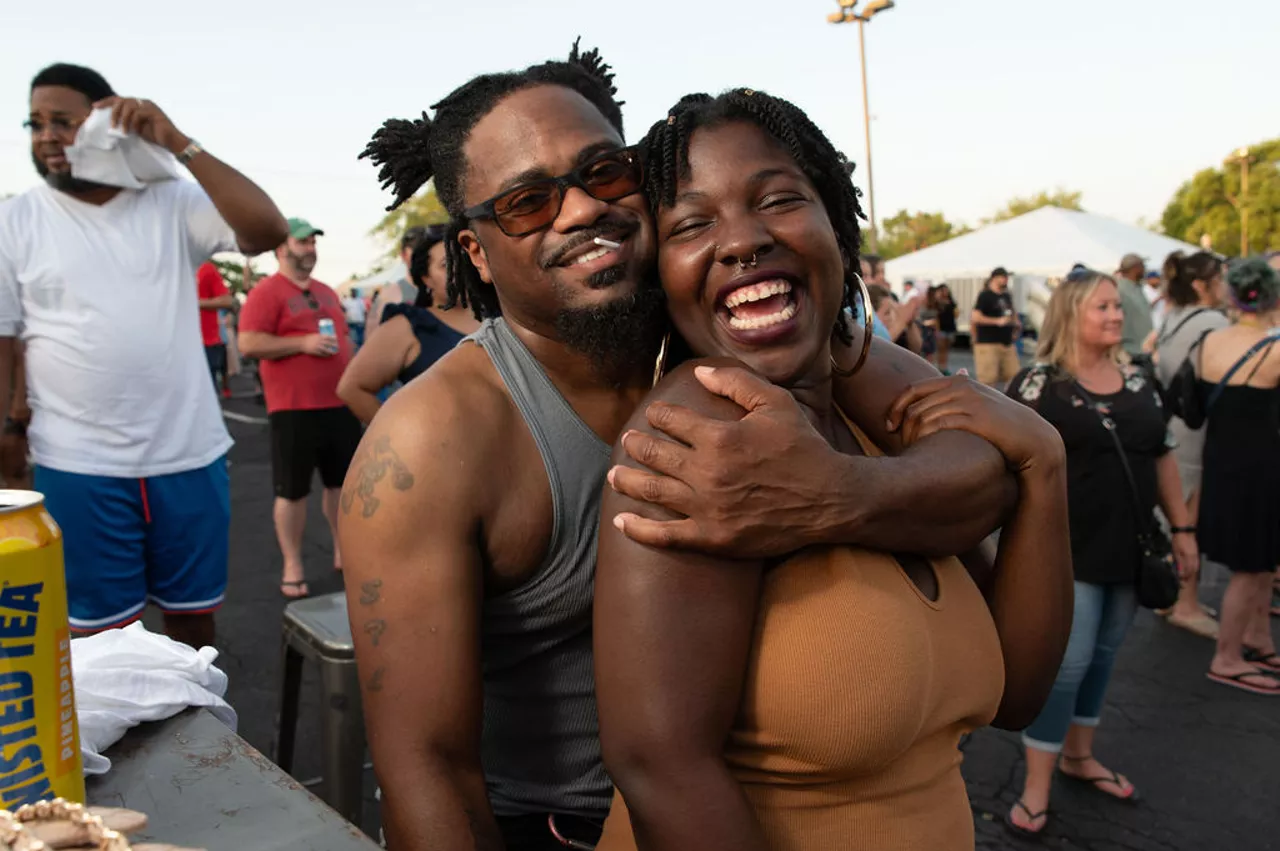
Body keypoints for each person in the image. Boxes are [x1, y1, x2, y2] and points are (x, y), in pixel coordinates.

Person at [342, 44, 1015, 851]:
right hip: (560, 828)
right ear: (476, 251)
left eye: (606, 171)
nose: (582, 209)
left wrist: (838, 494)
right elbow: (426, 767)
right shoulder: (431, 442)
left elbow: (972, 445)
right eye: (526, 202)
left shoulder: (721, 318)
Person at [592, 87, 1072, 851]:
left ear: (839, 228)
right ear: (660, 274)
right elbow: (658, 765)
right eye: (692, 222)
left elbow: (1017, 692)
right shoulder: (698, 435)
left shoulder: (871, 419)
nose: (743, 240)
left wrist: (1044, 465)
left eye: (778, 199)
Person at [0, 63, 287, 648]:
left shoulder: (173, 200)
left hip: (186, 455)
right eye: (35, 123)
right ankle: (117, 745)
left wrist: (179, 143)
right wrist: (7, 433)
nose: (45, 136)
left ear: (109, 122)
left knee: (193, 626)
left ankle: (202, 742)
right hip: (76, 463)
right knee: (100, 639)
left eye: (63, 121)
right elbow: (6, 338)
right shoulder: (16, 218)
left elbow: (265, 230)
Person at [1004, 271, 1197, 837]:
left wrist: (1183, 529)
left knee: (1105, 657)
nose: (1118, 315)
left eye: (1117, 306)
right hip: (1064, 550)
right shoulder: (1039, 383)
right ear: (1071, 315)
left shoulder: (1139, 380)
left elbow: (1162, 454)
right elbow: (1004, 457)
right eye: (1105, 307)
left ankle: (1079, 757)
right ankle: (1035, 787)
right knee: (1067, 665)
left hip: (1130, 547)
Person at [238, 217, 362, 599]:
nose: (310, 248)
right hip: (293, 408)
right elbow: (248, 343)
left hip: (338, 403)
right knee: (291, 491)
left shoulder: (327, 292)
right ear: (281, 248)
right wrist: (302, 344)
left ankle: (346, 549)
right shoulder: (266, 292)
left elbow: (344, 340)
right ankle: (293, 563)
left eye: (313, 243)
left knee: (342, 484)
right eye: (302, 242)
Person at [1196, 258, 1280, 695]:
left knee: (1261, 561)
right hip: (1260, 471)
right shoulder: (1274, 349)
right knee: (1250, 567)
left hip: (1222, 464)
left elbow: (1192, 403)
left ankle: (1257, 636)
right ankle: (1226, 656)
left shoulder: (1211, 341)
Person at [1153, 250, 1228, 639]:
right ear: (1202, 284)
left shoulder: (1172, 317)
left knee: (1175, 514)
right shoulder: (1213, 321)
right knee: (1188, 521)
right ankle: (1186, 602)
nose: (1226, 284)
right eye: (1220, 277)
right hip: (1197, 429)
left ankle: (1172, 596)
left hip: (1175, 425)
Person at [337, 225, 480, 423]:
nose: (459, 270)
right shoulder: (409, 325)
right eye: (446, 264)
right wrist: (403, 439)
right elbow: (352, 388)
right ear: (426, 278)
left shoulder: (500, 314)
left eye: (463, 259)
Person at [364, 226, 430, 339]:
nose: (423, 257)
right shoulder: (390, 295)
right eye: (418, 252)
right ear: (404, 255)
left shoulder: (444, 291)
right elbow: (371, 339)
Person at [971, 267, 1020, 387]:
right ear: (995, 278)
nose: (1006, 280)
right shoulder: (985, 296)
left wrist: (1015, 325)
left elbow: (1011, 313)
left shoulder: (1006, 296)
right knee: (988, 379)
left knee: (1014, 376)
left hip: (1006, 342)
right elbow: (975, 317)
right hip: (988, 343)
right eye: (1004, 277)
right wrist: (997, 321)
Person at [197, 261, 235, 397]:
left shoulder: (206, 268)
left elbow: (226, 301)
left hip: (206, 344)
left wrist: (194, 302)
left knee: (205, 396)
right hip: (173, 345)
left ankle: (225, 388)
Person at [1116, 252, 1154, 360]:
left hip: (1144, 350)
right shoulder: (1120, 290)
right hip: (1131, 351)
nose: (1144, 269)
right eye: (1142, 266)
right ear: (1135, 268)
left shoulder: (1137, 288)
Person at [935, 283, 958, 374]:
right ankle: (940, 367)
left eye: (946, 290)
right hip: (941, 328)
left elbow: (955, 313)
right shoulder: (937, 302)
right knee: (941, 348)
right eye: (943, 290)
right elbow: (936, 316)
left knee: (946, 349)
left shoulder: (951, 301)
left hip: (950, 327)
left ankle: (944, 367)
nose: (945, 292)